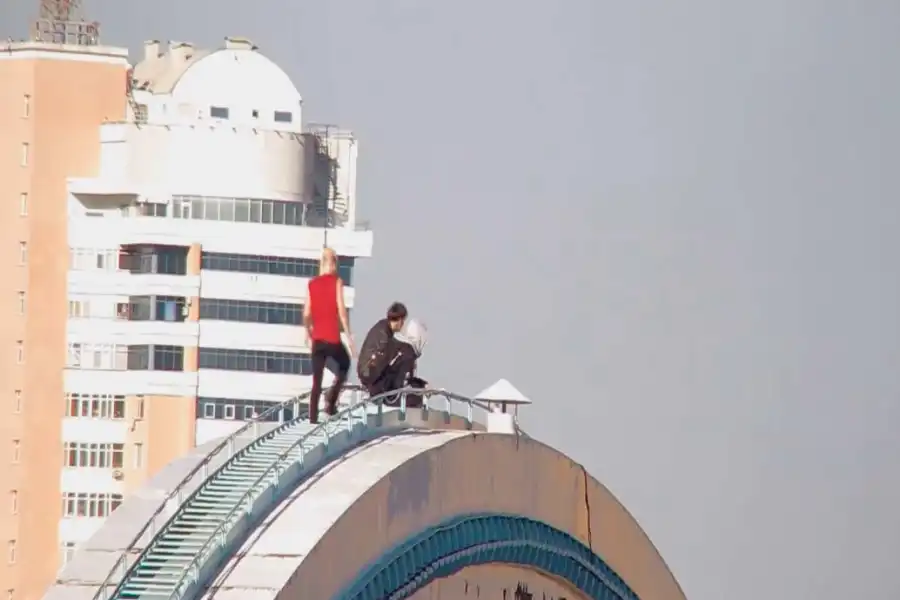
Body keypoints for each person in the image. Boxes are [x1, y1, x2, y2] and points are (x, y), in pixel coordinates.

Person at [303, 248, 354, 424]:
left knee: (316, 380)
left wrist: (307, 332)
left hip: (317, 339)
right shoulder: (336, 282)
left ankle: (312, 417)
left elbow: (306, 313)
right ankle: (331, 401)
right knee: (345, 364)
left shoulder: (312, 284)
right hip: (332, 338)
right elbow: (341, 310)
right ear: (332, 263)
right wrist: (349, 335)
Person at [357, 302, 407, 396]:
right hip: (368, 373)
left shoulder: (383, 327)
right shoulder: (384, 336)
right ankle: (395, 396)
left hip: (366, 371)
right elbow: (379, 359)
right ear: (400, 320)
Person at [381, 318, 429, 408]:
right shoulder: (408, 354)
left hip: (383, 394)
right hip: (393, 400)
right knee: (416, 397)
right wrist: (423, 388)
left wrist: (422, 383)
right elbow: (402, 382)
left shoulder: (397, 347)